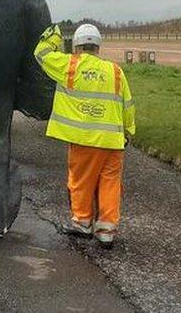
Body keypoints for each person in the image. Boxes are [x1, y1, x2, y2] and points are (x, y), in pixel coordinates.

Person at [33, 23, 136, 248]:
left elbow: (40, 54)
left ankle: (82, 222)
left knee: (81, 181)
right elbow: (127, 104)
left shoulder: (70, 65)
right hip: (113, 142)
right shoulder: (115, 71)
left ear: (77, 46)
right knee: (110, 184)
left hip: (85, 140)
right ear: (97, 47)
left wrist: (52, 35)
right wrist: (129, 131)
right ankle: (106, 231)